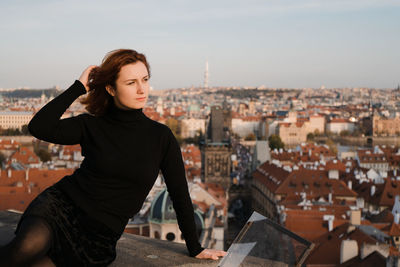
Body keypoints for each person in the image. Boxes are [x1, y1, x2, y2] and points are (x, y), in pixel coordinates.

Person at [0, 49, 226, 266]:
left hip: (98, 239)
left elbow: (179, 193)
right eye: (131, 82)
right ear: (110, 88)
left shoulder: (161, 137)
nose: (142, 89)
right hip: (61, 207)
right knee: (24, 249)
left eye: (145, 80)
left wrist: (195, 247)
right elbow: (39, 127)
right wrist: (78, 87)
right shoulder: (92, 125)